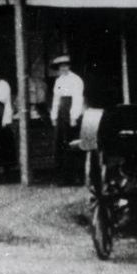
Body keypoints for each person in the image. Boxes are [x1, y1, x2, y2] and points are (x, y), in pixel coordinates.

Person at [50, 55, 85, 185]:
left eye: (65, 66)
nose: (63, 68)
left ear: (69, 66)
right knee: (61, 143)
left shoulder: (76, 79)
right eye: (61, 67)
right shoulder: (59, 81)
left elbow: (77, 98)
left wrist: (74, 117)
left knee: (72, 143)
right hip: (61, 112)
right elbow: (56, 99)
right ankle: (64, 177)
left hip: (71, 112)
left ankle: (77, 176)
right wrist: (54, 116)